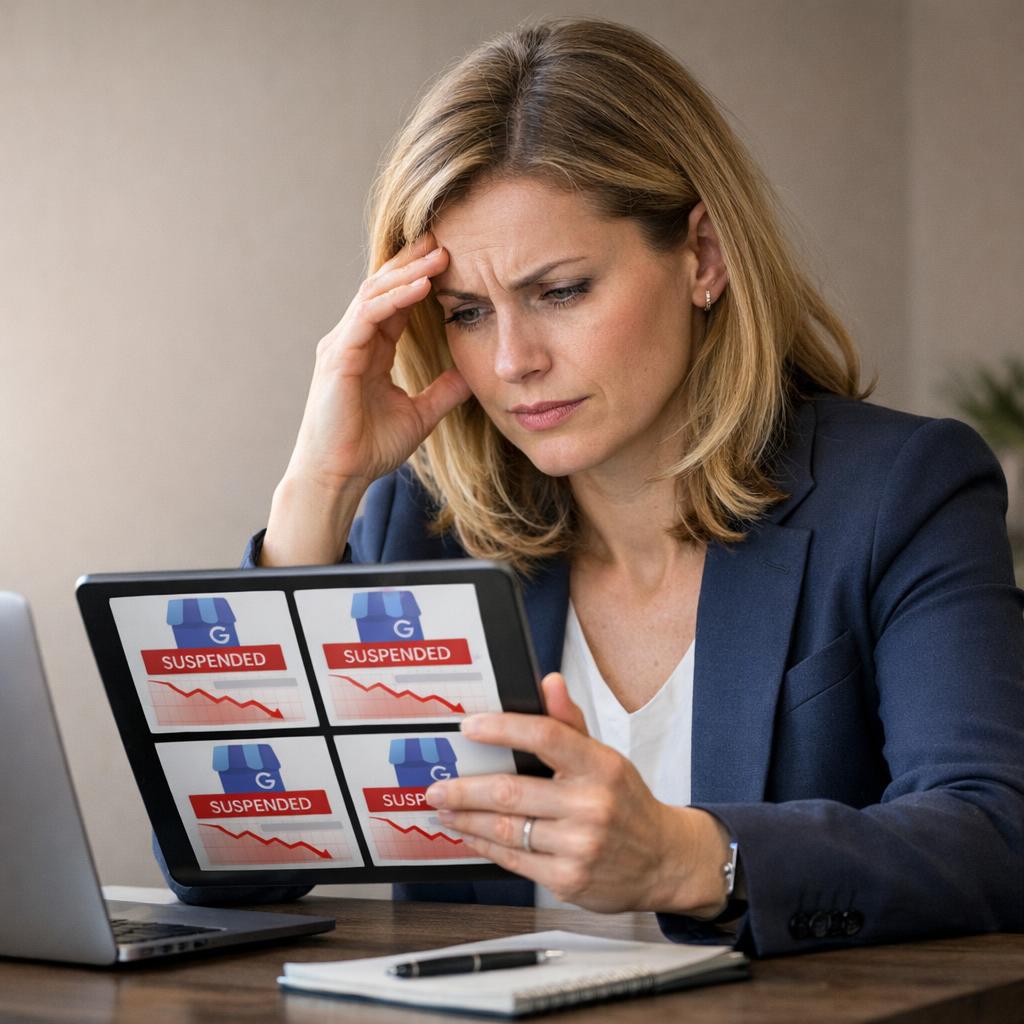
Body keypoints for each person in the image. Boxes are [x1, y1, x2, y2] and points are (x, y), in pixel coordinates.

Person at [160, 18, 1024, 956]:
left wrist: (691, 858)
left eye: (561, 291)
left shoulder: (900, 491)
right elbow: (237, 866)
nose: (513, 361)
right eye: (467, 314)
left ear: (703, 257)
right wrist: (314, 494)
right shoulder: (418, 520)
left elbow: (997, 832)